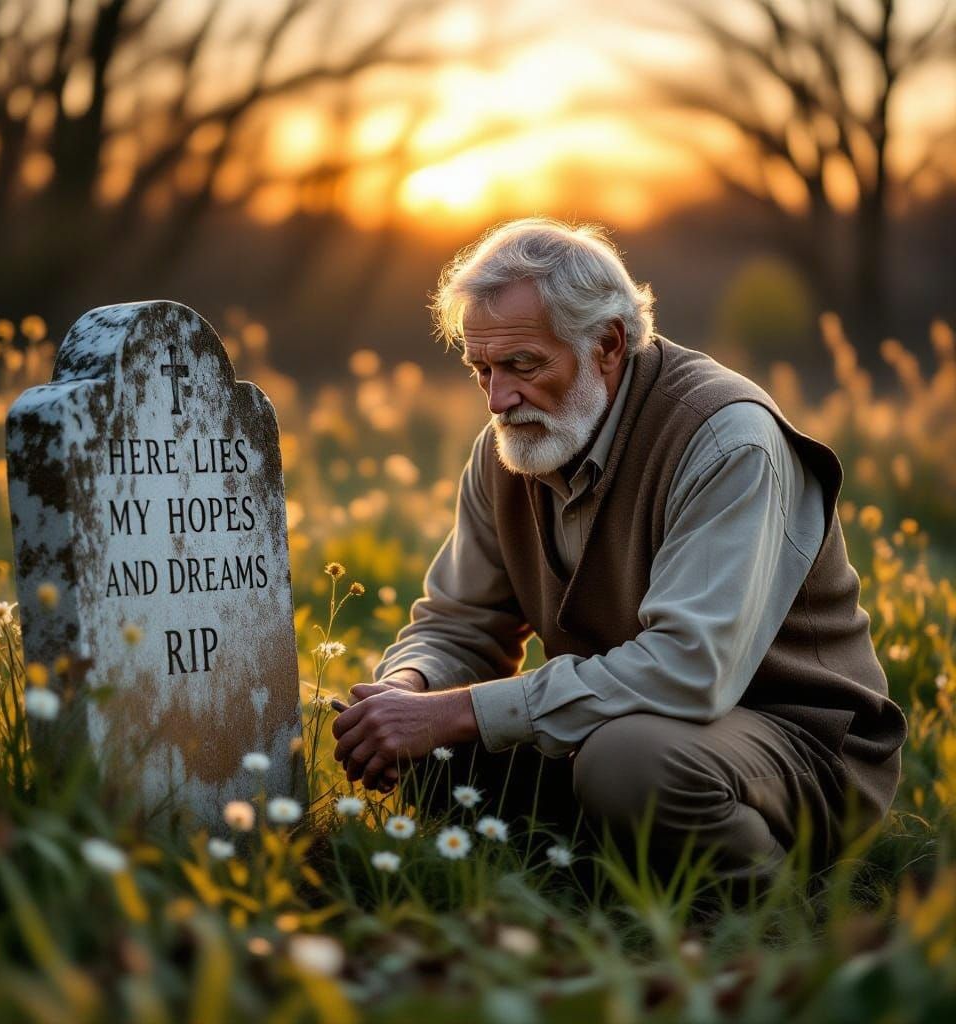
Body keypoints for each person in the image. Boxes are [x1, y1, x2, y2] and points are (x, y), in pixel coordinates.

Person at [330, 217, 907, 884]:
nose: (497, 399)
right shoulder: (512, 445)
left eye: (522, 365)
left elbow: (688, 669)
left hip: (798, 748)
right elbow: (460, 623)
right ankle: (593, 880)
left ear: (607, 344)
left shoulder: (727, 441)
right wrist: (406, 692)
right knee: (432, 753)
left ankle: (777, 905)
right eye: (480, 369)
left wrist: (453, 713)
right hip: (623, 725)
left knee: (625, 762)